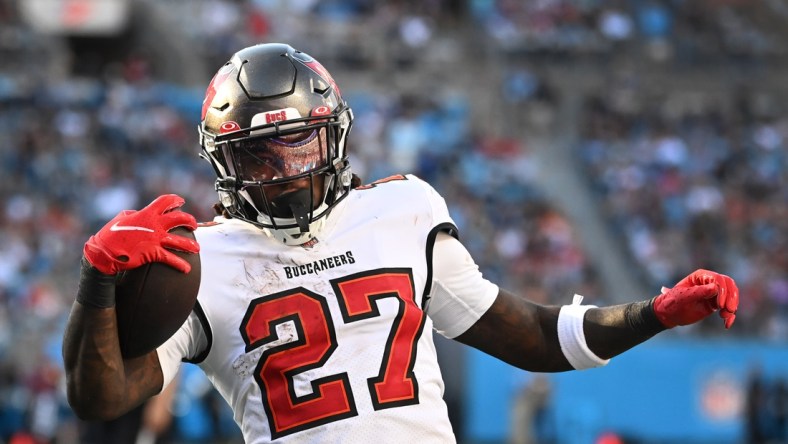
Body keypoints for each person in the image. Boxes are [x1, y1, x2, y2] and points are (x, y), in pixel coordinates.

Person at [62, 43, 739, 443]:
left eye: (300, 145)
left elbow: (532, 335)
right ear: (225, 164)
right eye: (262, 157)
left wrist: (654, 313)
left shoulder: (403, 209)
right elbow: (104, 398)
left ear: (334, 136)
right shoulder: (203, 262)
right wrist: (97, 287)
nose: (288, 172)